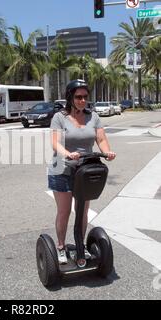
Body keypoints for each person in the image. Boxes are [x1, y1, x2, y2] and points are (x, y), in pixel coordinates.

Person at [48, 79, 116, 264]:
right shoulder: (59, 117)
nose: (82, 100)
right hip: (62, 170)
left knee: (82, 212)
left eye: (85, 97)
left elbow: (101, 138)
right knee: (64, 212)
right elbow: (55, 142)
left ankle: (80, 246)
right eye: (78, 97)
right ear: (70, 97)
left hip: (85, 171)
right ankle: (61, 246)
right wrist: (68, 154)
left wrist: (107, 151)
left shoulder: (92, 116)